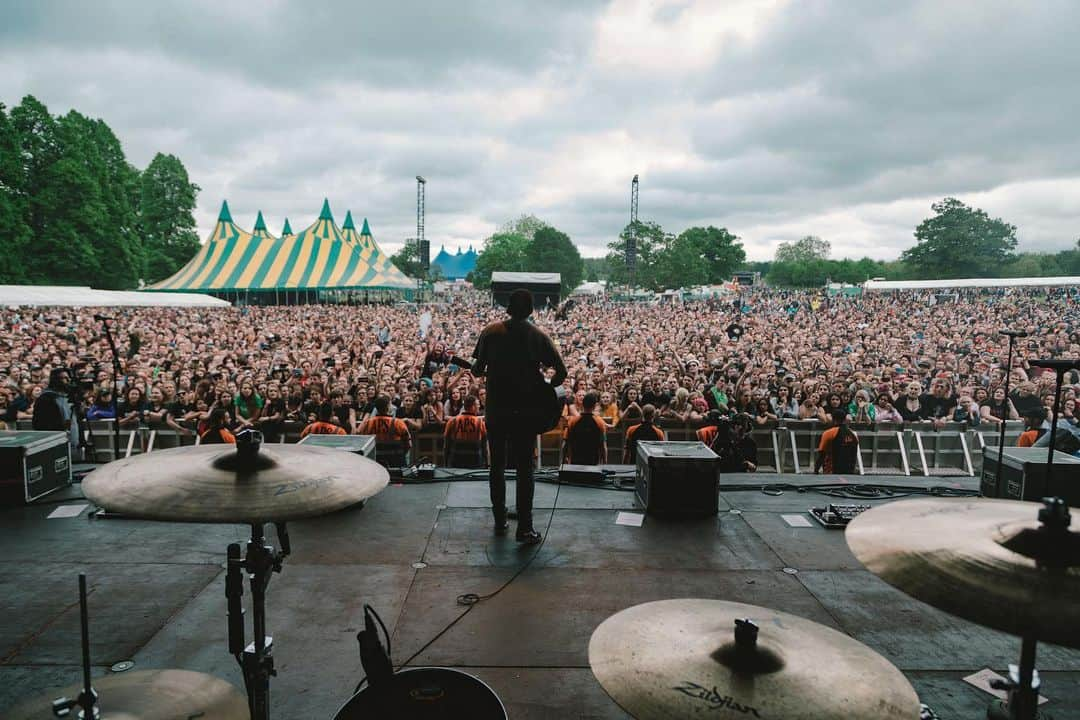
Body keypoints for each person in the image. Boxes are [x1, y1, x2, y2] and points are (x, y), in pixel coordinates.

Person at [472, 288, 568, 544]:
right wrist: (547, 389)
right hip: (525, 411)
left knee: (498, 466)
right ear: (530, 310)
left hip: (496, 409)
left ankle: (499, 519)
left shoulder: (490, 332)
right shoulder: (537, 336)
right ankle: (524, 527)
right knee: (525, 468)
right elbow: (561, 371)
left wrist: (479, 368)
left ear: (508, 307)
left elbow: (478, 369)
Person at [357, 395, 412, 462]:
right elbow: (409, 444)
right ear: (388, 407)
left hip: (375, 461)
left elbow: (363, 442)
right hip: (396, 460)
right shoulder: (398, 423)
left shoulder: (367, 423)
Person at [563, 391, 607, 465]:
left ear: (583, 404)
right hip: (593, 463)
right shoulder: (600, 422)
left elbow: (565, 443)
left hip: (575, 462)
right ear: (595, 406)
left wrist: (564, 460)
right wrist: (605, 462)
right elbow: (603, 445)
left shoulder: (572, 421)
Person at [443, 395, 487, 468]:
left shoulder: (453, 421)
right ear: (473, 406)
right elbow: (484, 445)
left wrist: (445, 462)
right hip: (475, 462)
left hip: (456, 461)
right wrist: (485, 463)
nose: (479, 406)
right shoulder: (479, 422)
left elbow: (446, 445)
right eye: (477, 404)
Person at [815, 410, 860, 474]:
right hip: (849, 473)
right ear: (845, 419)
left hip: (832, 473)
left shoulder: (828, 433)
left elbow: (822, 455)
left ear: (833, 419)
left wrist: (816, 470)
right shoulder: (853, 434)